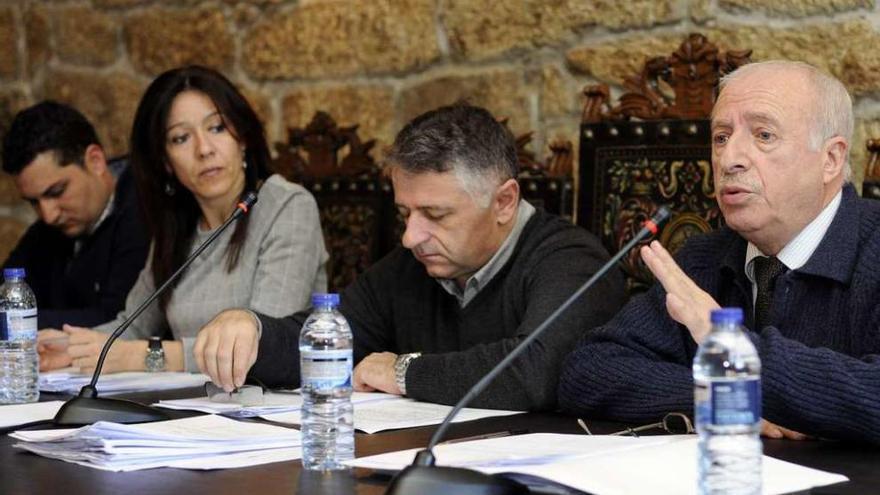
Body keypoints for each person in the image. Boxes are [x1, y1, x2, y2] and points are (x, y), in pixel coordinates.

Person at [195, 104, 625, 411]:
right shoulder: (411, 267)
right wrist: (250, 331)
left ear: (504, 202)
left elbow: (534, 371)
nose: (410, 236)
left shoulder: (573, 262)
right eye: (405, 213)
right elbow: (328, 342)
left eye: (435, 215)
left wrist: (403, 373)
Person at [558, 60, 880, 444]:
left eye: (763, 135)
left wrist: (732, 349)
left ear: (830, 159)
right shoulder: (705, 256)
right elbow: (588, 371)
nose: (729, 160)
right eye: (721, 138)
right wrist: (724, 397)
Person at [38, 65, 328, 374]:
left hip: (272, 407)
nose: (204, 150)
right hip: (194, 408)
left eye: (216, 128)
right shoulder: (178, 228)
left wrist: (143, 357)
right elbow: (131, 327)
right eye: (180, 138)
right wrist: (73, 348)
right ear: (165, 161)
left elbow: (262, 344)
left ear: (241, 137)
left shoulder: (287, 206)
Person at [2, 101, 150, 329]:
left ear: (95, 161)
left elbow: (118, 318)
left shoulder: (146, 210)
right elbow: (9, 289)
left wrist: (18, 321)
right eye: (34, 202)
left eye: (57, 192)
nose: (48, 215)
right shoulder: (48, 228)